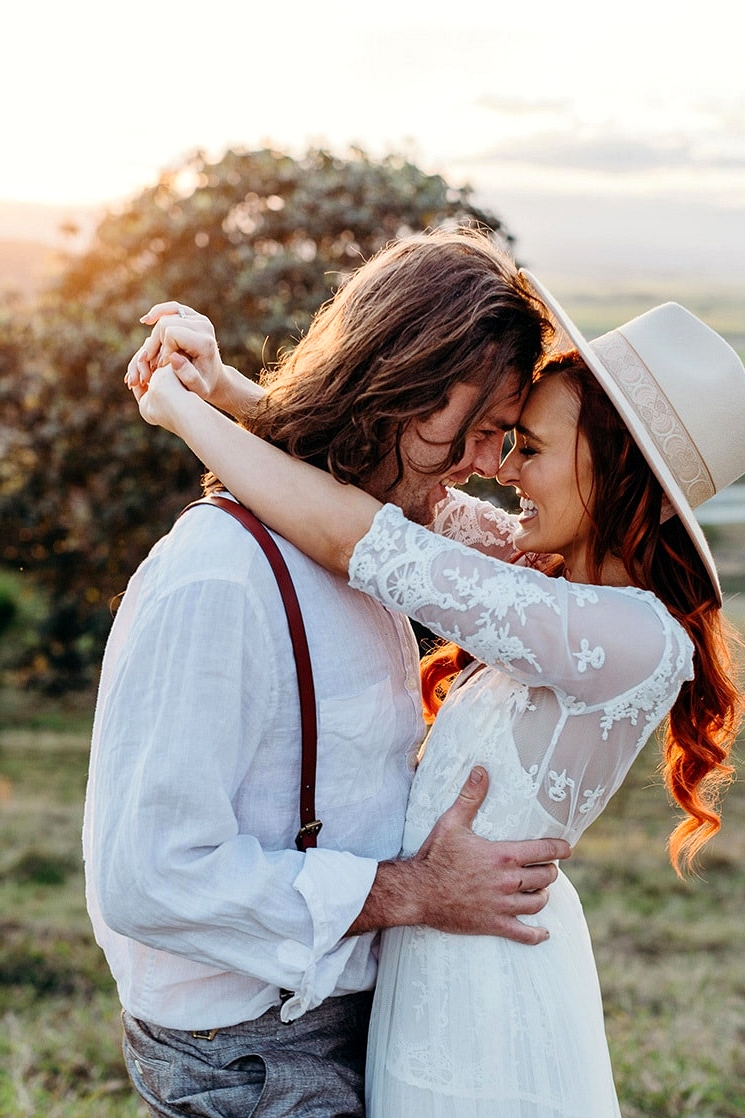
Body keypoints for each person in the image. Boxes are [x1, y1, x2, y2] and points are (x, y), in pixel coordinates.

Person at [131, 277, 745, 1117]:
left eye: (525, 446)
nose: (501, 469)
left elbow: (361, 537)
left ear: (613, 473)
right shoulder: (544, 580)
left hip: (486, 977)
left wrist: (180, 412)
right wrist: (230, 389)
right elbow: (402, 489)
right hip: (431, 952)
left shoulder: (627, 636)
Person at [83, 228, 574, 1118]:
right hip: (250, 1050)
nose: (483, 470)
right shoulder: (218, 578)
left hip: (332, 1009)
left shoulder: (372, 538)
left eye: (505, 441)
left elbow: (515, 566)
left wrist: (228, 392)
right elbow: (147, 873)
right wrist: (418, 892)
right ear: (399, 388)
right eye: (477, 432)